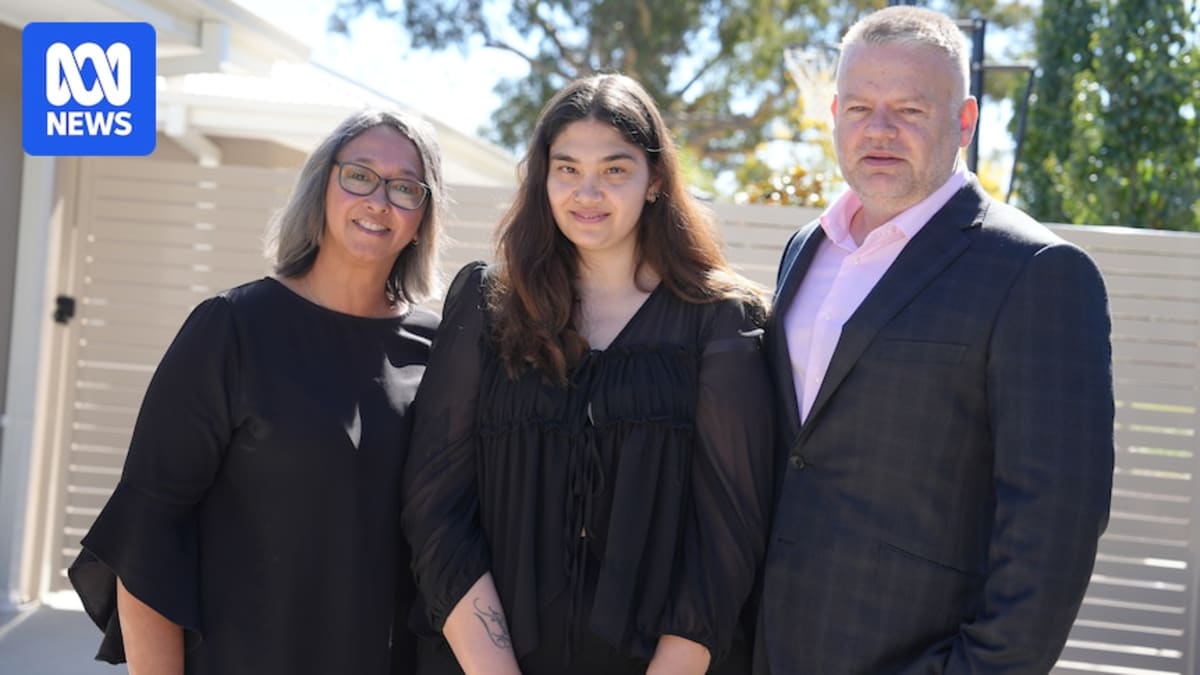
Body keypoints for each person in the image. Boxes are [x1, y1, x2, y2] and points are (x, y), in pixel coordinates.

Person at [755, 6, 1115, 673]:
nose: (880, 130)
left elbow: (1055, 527)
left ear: (966, 120)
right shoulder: (806, 247)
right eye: (860, 106)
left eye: (911, 110)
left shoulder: (1037, 274)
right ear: (833, 113)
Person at [402, 73, 775, 675]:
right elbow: (434, 502)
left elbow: (731, 530)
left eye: (615, 170)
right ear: (543, 179)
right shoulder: (487, 303)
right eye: (567, 168)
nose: (588, 192)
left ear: (655, 180)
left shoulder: (721, 323)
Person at [68, 109, 447, 675]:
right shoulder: (232, 329)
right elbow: (148, 536)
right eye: (360, 175)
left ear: (421, 219)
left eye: (405, 188)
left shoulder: (438, 351)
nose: (379, 200)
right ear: (322, 187)